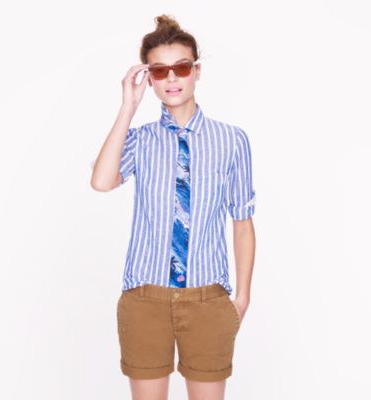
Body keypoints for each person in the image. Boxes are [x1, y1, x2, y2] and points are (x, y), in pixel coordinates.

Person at [90, 14, 256, 400]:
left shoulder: (232, 141)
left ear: (196, 71)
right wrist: (128, 106)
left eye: (181, 67)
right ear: (149, 78)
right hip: (145, 298)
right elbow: (101, 181)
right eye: (159, 71)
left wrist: (242, 298)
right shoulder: (140, 140)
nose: (171, 78)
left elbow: (242, 222)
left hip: (207, 298)